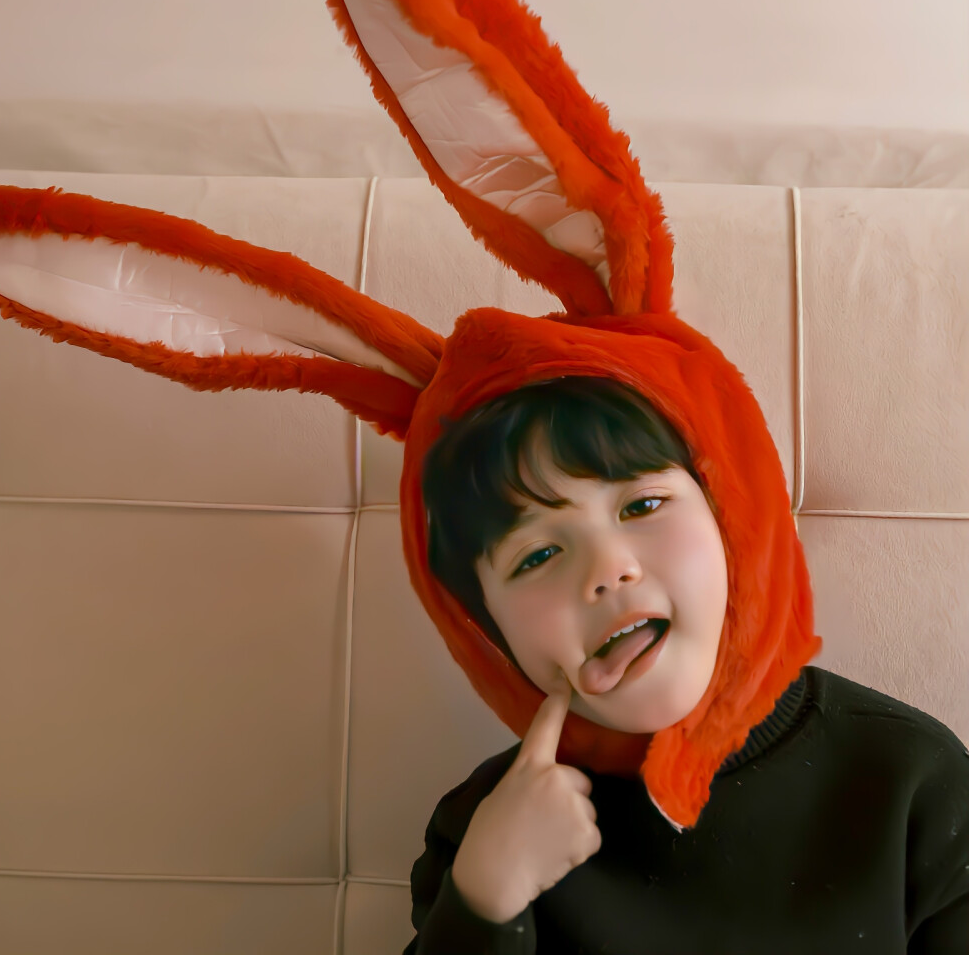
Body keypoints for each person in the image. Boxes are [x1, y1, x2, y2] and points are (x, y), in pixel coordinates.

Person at [401, 375, 969, 954]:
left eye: (643, 504)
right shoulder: (481, 832)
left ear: (727, 518)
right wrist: (484, 901)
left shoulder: (913, 779)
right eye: (539, 555)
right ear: (488, 632)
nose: (608, 568)